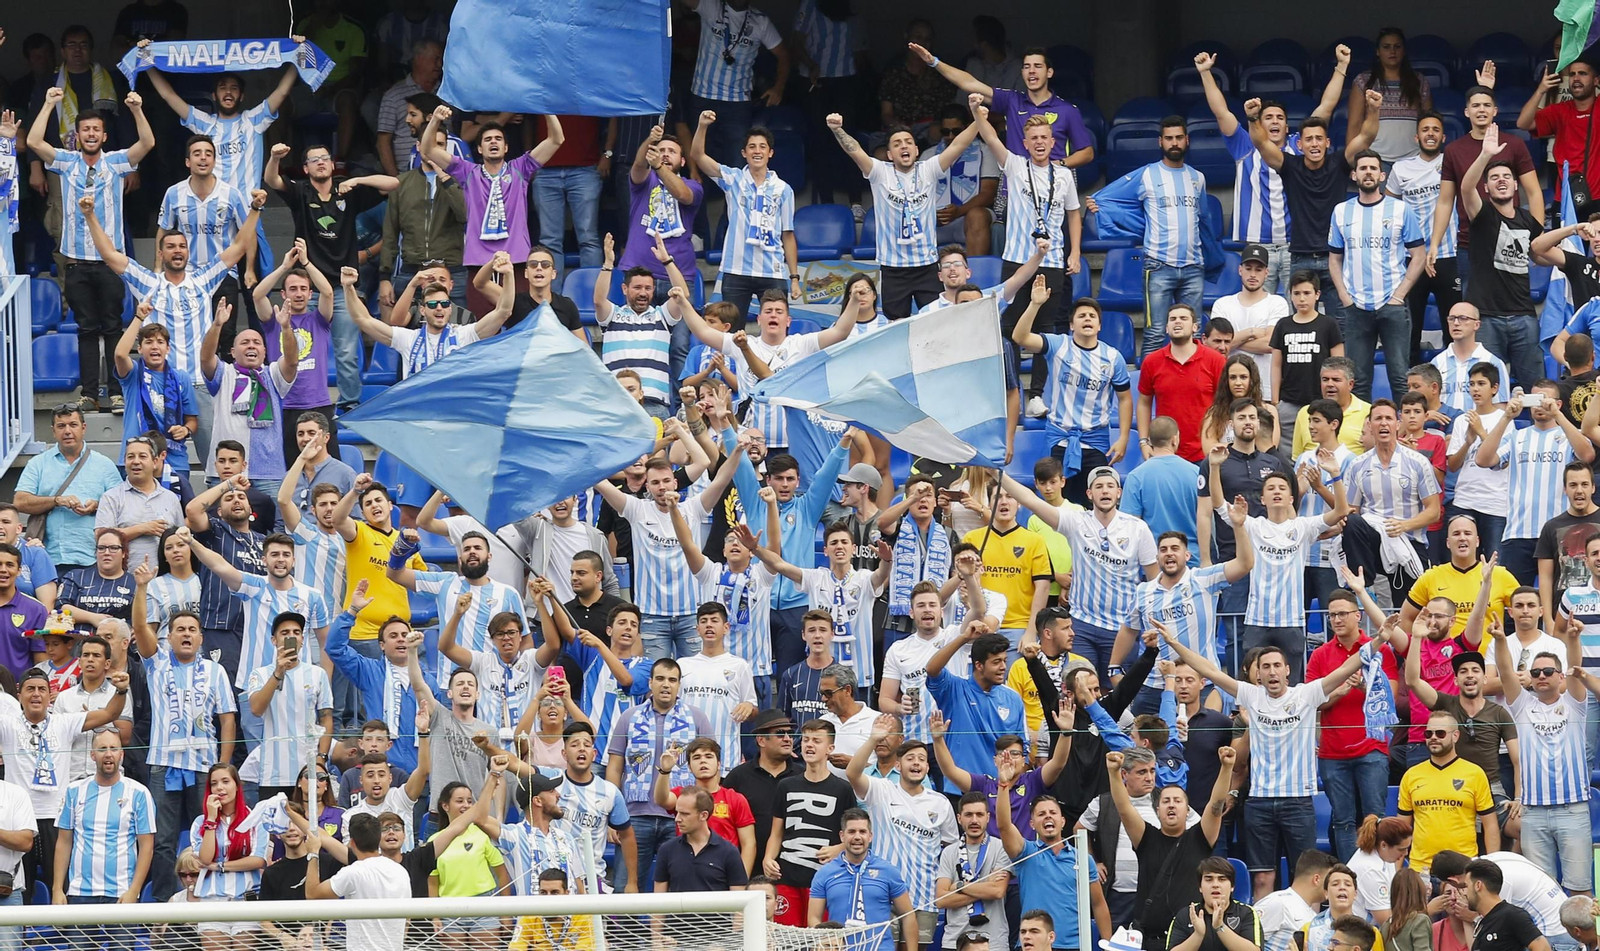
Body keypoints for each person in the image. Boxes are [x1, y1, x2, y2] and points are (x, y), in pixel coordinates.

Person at [1160, 617, 1392, 900]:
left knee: (1307, 880)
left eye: (1276, 666)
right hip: (1259, 803)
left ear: (1287, 670)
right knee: (1263, 880)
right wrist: (1172, 642)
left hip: (1298, 802)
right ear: (1258, 673)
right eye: (1265, 666)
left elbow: (1347, 667)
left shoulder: (1307, 693)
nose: (1271, 672)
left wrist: (1380, 639)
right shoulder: (1251, 695)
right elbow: (1208, 669)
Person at [26, 85, 154, 413]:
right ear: (77, 135)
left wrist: (137, 110)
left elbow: (147, 144)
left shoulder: (115, 162)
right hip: (76, 261)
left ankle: (115, 391)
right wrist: (47, 104)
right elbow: (33, 143)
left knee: (112, 326)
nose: (92, 134)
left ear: (105, 136)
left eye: (97, 129)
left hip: (111, 261)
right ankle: (89, 393)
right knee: (86, 329)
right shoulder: (67, 162)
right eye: (86, 129)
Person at [1195, 49, 1349, 292]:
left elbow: (1326, 107)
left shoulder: (1301, 147)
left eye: (1280, 117)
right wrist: (1205, 73)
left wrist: (1341, 66)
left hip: (1294, 245)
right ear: (1259, 122)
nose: (1274, 121)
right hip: (1258, 245)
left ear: (1287, 127)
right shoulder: (1244, 146)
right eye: (1268, 117)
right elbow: (1221, 112)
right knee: (1259, 310)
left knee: (1295, 311)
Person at [262, 143, 395, 414]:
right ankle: (300, 403)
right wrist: (275, 157)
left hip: (343, 288)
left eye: (325, 158)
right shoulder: (301, 191)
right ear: (306, 168)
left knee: (346, 352)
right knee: (303, 352)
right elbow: (271, 180)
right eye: (314, 160)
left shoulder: (348, 189)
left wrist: (357, 179)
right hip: (308, 289)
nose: (321, 163)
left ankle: (349, 406)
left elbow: (393, 183)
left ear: (333, 165)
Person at [825, 101, 982, 320]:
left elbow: (957, 146)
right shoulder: (880, 172)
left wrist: (977, 120)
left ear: (917, 150)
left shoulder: (928, 169)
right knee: (897, 325)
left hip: (927, 265)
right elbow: (855, 151)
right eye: (897, 144)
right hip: (893, 268)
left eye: (908, 142)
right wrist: (837, 129)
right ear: (889, 154)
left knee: (935, 323)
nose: (904, 146)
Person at [1244, 91, 1383, 333]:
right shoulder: (1289, 165)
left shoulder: (1340, 162)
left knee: (1342, 327)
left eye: (1319, 139)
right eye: (1309, 140)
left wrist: (1373, 109)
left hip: (1336, 259)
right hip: (1301, 258)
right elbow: (1261, 142)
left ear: (1327, 143)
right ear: (1299, 144)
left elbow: (1367, 135)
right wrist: (1254, 118)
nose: (1314, 144)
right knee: (1300, 328)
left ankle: (1341, 371)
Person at [1001, 468, 1157, 679]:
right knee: (1081, 691)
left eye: (1110, 486)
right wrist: (997, 474)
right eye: (1099, 486)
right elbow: (1031, 501)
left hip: (1122, 629)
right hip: (1082, 626)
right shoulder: (1076, 521)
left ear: (1119, 492)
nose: (1105, 491)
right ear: (1089, 494)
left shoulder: (1138, 529)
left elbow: (1154, 581)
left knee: (1118, 697)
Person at [1492, 610, 1594, 896]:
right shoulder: (1522, 705)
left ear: (1559, 676)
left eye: (1548, 671)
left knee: (1580, 890)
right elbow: (1505, 671)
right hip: (1533, 813)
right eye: (1535, 673)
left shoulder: (1574, 703)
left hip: (1572, 809)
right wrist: (1500, 640)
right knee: (1541, 892)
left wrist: (1573, 638)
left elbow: (1575, 667)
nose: (1541, 676)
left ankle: (1590, 943)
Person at [1104, 746, 1236, 950]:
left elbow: (1216, 804)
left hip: (1192, 937)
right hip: (1151, 940)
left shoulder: (1200, 838)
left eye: (1177, 801)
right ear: (1158, 810)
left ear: (1187, 810)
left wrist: (1227, 767)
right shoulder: (1145, 837)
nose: (1171, 805)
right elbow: (1123, 808)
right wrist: (1114, 773)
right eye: (1166, 801)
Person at [1328, 149, 1427, 401]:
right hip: (1356, 307)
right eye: (1363, 168)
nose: (1368, 172)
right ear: (1354, 174)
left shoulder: (1401, 209)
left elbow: (1419, 255)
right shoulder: (1341, 211)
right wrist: (1344, 296)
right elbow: (1334, 258)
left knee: (1399, 376)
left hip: (1392, 305)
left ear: (1382, 175)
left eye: (1373, 168)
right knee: (1358, 380)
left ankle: (1405, 433)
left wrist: (1400, 295)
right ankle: (1362, 435)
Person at [1014, 289, 1132, 499]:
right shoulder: (1058, 345)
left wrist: (1123, 437)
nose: (1087, 318)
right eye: (1081, 315)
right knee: (1057, 505)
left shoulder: (1113, 358)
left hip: (1096, 441)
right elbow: (1020, 337)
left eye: (1092, 316)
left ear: (1099, 325)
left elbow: (1125, 398)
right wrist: (1034, 304)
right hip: (1060, 439)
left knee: (1096, 504)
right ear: (1071, 325)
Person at [1477, 384, 1595, 584]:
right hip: (1519, 532)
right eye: (1535, 399)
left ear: (1558, 403)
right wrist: (1506, 417)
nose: (1540, 405)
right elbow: (1483, 459)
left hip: (1563, 532)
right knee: (1516, 599)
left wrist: (1558, 416)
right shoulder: (1516, 437)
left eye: (1545, 399)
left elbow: (1587, 455)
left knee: (1564, 599)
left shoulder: (1569, 435)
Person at [908, 43, 1095, 168]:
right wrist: (934, 62)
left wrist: (1056, 166)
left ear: (1050, 72)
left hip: (1052, 188)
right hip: (1014, 186)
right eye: (1026, 66)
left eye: (1037, 66)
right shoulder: (1012, 100)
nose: (1031, 71)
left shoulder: (1067, 110)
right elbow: (970, 84)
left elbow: (1087, 153)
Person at [1460, 125, 1546, 392]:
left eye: (1506, 176)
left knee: (1536, 388)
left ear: (1515, 184)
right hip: (1487, 317)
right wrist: (1485, 154)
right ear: (1486, 187)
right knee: (1488, 392)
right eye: (1494, 177)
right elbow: (1465, 187)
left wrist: (1574, 230)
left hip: (1523, 316)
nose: (1501, 180)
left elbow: (1543, 253)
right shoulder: (1483, 214)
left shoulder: (1528, 220)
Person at [690, 115, 800, 315]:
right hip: (736, 271)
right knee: (731, 331)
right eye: (752, 147)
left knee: (776, 331)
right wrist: (702, 125)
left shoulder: (783, 189)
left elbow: (788, 234)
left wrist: (794, 278)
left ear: (770, 153)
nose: (757, 151)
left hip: (772, 271)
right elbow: (697, 155)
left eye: (762, 147)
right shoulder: (733, 179)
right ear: (744, 152)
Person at [52, 731, 153, 951]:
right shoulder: (73, 791)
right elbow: (63, 842)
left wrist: (134, 891)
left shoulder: (139, 793)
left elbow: (146, 846)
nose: (108, 754)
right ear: (92, 755)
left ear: (122, 755)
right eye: (102, 749)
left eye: (114, 749)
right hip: (80, 894)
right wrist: (57, 889)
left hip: (121, 894)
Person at [764, 718, 855, 926]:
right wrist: (768, 858)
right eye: (805, 740)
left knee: (821, 940)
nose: (809, 745)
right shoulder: (785, 786)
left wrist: (839, 849)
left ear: (830, 748)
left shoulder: (842, 789)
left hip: (825, 879)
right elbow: (776, 832)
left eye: (816, 740)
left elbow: (855, 834)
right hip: (787, 877)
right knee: (786, 940)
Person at [1388, 112, 1462, 364]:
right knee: (1410, 327)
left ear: (1443, 136)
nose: (1430, 133)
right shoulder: (1401, 168)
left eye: (1435, 129)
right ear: (1416, 136)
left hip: (1449, 256)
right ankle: (1410, 385)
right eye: (1425, 129)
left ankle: (1455, 377)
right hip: (1413, 258)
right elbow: (1389, 209)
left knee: (1454, 325)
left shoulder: (1454, 163)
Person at [14, 407, 123, 573]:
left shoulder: (104, 465)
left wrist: (97, 505)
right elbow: (20, 501)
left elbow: (122, 505)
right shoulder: (38, 463)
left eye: (73, 425)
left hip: (94, 558)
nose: (67, 431)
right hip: (48, 558)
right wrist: (56, 500)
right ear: (53, 431)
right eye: (61, 426)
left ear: (83, 428)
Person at [1398, 710, 1498, 875]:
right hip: (1420, 870)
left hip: (1463, 870)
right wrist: (1397, 871)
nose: (1434, 737)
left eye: (1441, 733)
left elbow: (1490, 824)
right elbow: (1401, 828)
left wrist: (1491, 865)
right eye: (1429, 733)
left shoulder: (1474, 773)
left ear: (1455, 736)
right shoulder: (1411, 775)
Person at [808, 809, 915, 950]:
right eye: (851, 832)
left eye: (862, 832)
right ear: (842, 836)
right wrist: (827, 945)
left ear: (870, 836)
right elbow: (814, 918)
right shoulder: (825, 873)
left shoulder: (888, 871)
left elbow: (908, 915)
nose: (857, 837)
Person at [303, 813, 412, 951]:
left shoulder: (354, 872)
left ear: (352, 842)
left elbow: (312, 894)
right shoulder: (401, 871)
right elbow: (407, 920)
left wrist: (313, 852)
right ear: (378, 838)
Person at [1431, 851, 1574, 951]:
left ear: (1453, 880)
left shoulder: (1497, 887)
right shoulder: (1490, 863)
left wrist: (1472, 918)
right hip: (1561, 923)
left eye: (1464, 888)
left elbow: (1499, 921)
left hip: (1554, 934)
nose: (1463, 893)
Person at [1137, 305, 1224, 464]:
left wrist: (1226, 441)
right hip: (1164, 453)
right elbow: (1144, 403)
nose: (1177, 322)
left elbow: (1226, 404)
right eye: (1172, 319)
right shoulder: (1152, 362)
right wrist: (1144, 442)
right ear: (1166, 328)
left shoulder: (1215, 361)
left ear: (1194, 327)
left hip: (1205, 453)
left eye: (1183, 318)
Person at [1272, 275, 1348, 453]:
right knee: (1289, 455)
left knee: (1323, 451)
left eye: (1307, 293)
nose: (1302, 298)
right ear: (1290, 295)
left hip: (1321, 401)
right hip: (1289, 401)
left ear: (1317, 294)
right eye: (1296, 293)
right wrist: (1276, 400)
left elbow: (1339, 366)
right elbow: (1276, 364)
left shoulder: (1328, 324)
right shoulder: (1283, 325)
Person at [1520, 56, 1600, 220]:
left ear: (1596, 80)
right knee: (1563, 247)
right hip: (1566, 197)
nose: (1576, 78)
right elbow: (1523, 123)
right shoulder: (1559, 110)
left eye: (1583, 73)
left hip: (1598, 196)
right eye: (1572, 74)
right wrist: (1541, 90)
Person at [935, 793, 1011, 951]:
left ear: (988, 817)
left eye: (980, 814)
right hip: (954, 942)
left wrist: (959, 886)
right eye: (968, 815)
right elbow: (941, 900)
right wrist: (986, 886)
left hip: (993, 943)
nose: (974, 820)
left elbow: (997, 891)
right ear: (959, 818)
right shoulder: (949, 852)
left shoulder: (1001, 847)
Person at [95, 437, 181, 571]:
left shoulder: (170, 498)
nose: (136, 461)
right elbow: (101, 536)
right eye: (130, 457)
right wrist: (142, 529)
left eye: (142, 456)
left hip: (164, 581)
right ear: (125, 462)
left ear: (155, 462)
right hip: (124, 581)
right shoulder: (111, 497)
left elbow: (181, 539)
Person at [1348, 28, 1434, 163]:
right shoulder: (1363, 81)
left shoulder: (1419, 81)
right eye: (1386, 47)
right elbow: (1354, 124)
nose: (1392, 51)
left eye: (1397, 46)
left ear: (1404, 51)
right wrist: (1352, 160)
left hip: (1413, 158)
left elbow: (1430, 121)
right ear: (1378, 51)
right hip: (1374, 159)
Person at [655, 784, 749, 894]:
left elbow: (739, 903)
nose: (677, 819)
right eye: (677, 812)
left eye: (685, 814)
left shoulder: (729, 852)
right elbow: (658, 903)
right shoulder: (667, 850)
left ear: (703, 815)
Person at [1462, 858, 1555, 951]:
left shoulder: (1512, 915)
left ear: (1478, 886)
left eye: (1466, 886)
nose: (1464, 893)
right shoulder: (1484, 923)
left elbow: (1543, 948)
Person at [1255, 851, 1336, 951]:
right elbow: (1248, 944)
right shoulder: (1278, 903)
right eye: (1330, 880)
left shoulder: (1313, 916)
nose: (1332, 886)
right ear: (1316, 879)